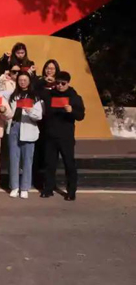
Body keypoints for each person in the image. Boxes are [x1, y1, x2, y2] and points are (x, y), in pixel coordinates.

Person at [42, 71, 85, 201]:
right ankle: (48, 189)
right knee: (49, 164)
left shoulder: (75, 97)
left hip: (66, 136)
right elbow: (37, 93)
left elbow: (81, 116)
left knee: (69, 164)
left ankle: (71, 191)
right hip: (50, 135)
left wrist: (72, 111)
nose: (60, 86)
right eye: (58, 83)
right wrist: (45, 82)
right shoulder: (49, 95)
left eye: (63, 83)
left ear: (68, 83)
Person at [4, 71, 43, 199]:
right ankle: (14, 186)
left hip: (28, 127)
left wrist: (30, 110)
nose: (22, 82)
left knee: (27, 160)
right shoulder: (12, 95)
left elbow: (39, 116)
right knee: (13, 158)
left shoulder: (35, 97)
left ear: (29, 81)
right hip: (14, 126)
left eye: (25, 80)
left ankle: (25, 187)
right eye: (20, 80)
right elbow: (8, 111)